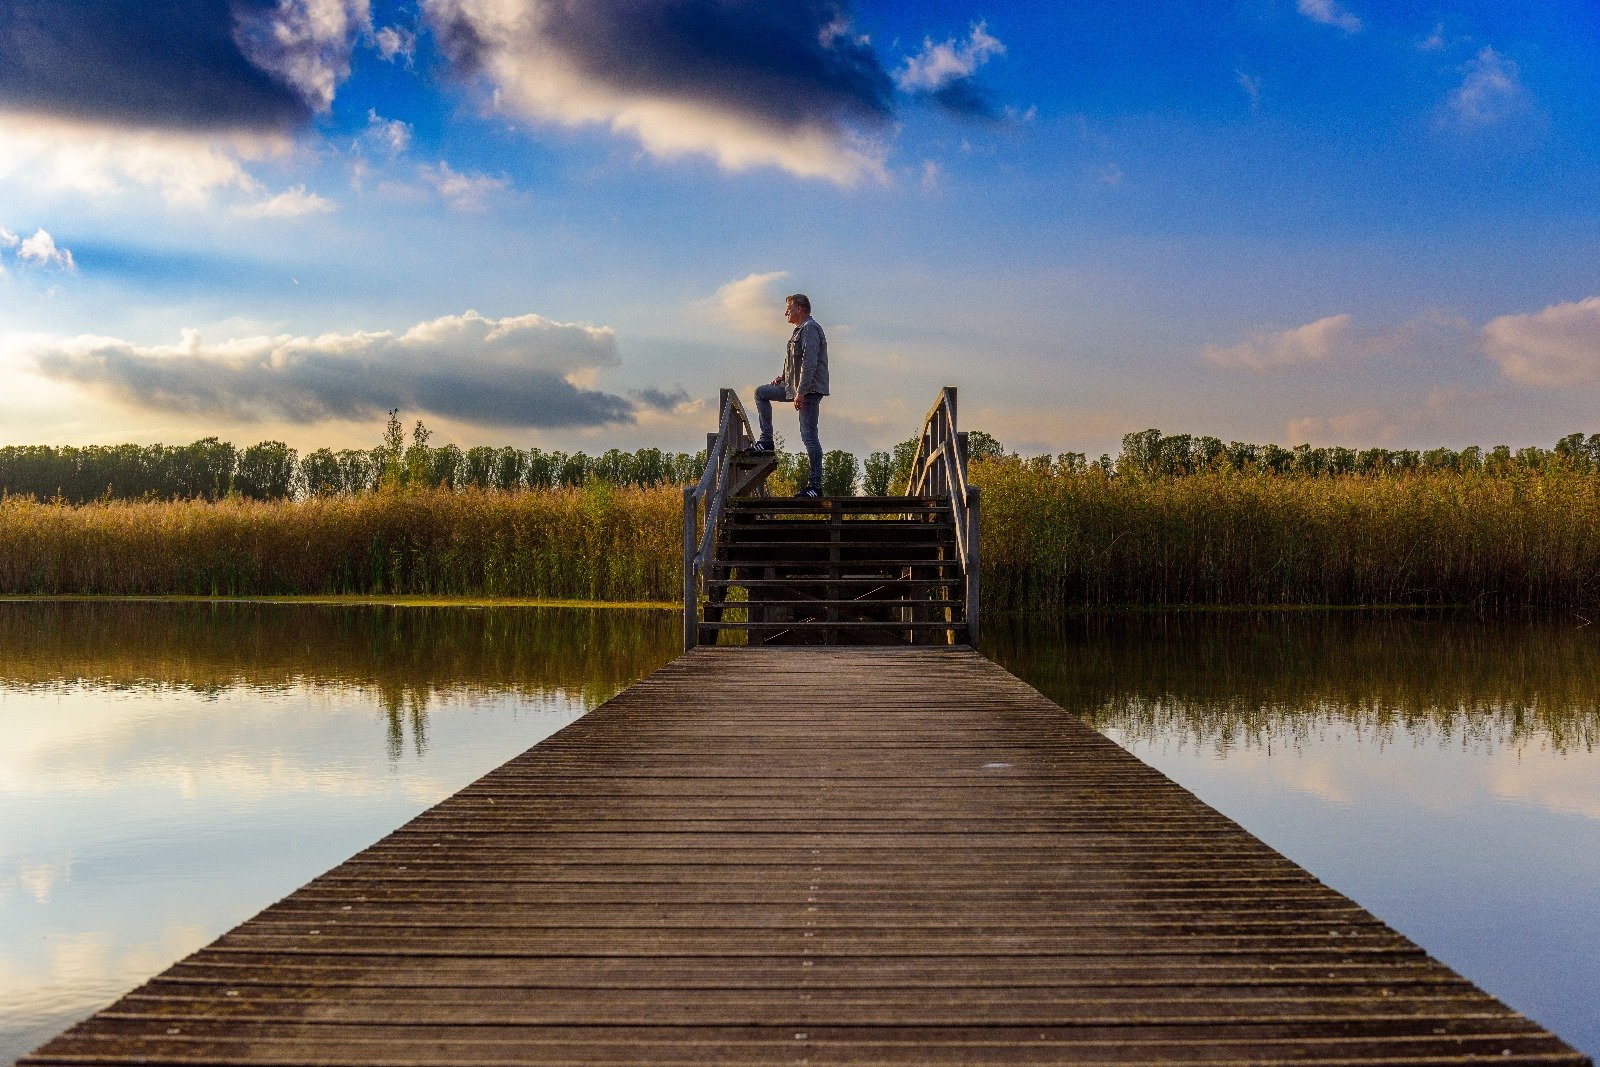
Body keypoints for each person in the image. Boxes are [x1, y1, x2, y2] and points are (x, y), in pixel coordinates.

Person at [749, 293, 829, 497]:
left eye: (789, 308)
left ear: (799, 309)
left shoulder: (810, 328)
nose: (785, 312)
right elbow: (797, 362)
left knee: (809, 436)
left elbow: (809, 363)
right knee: (761, 393)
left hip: (807, 390)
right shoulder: (799, 331)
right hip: (794, 388)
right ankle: (766, 440)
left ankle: (815, 487)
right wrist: (783, 377)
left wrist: (801, 393)